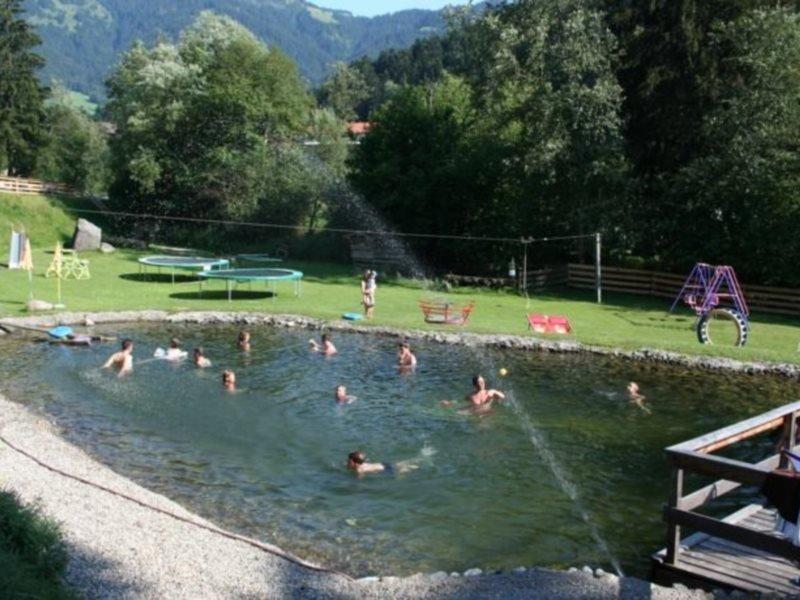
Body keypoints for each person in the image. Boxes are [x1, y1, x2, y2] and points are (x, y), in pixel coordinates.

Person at [347, 451, 419, 476]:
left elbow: (359, 478)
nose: (348, 461)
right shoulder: (361, 463)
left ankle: (414, 467)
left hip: (385, 469)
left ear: (354, 462)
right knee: (398, 464)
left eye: (349, 461)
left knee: (400, 470)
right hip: (383, 464)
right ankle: (415, 461)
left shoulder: (359, 469)